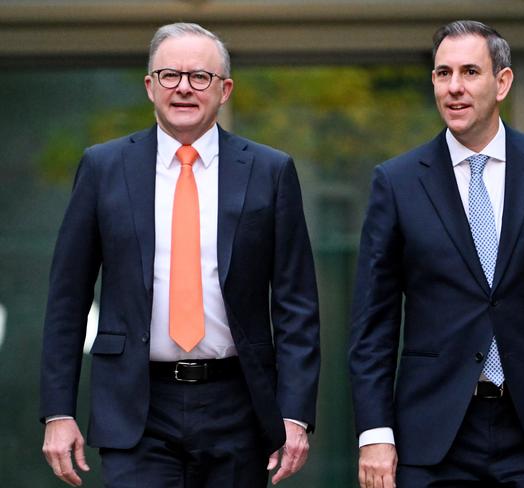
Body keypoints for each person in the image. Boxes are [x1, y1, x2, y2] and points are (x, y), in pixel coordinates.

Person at [348, 20, 524, 488]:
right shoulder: (397, 182)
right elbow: (373, 324)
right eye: (443, 74)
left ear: (502, 82)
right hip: (433, 433)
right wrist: (375, 433)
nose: (454, 88)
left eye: (469, 72)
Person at [40, 22, 320, 487]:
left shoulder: (270, 171)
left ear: (225, 89)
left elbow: (297, 305)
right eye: (169, 75)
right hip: (136, 406)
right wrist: (57, 411)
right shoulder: (103, 167)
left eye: (200, 77)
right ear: (150, 86)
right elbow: (67, 298)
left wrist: (295, 414)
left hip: (239, 406)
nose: (184, 87)